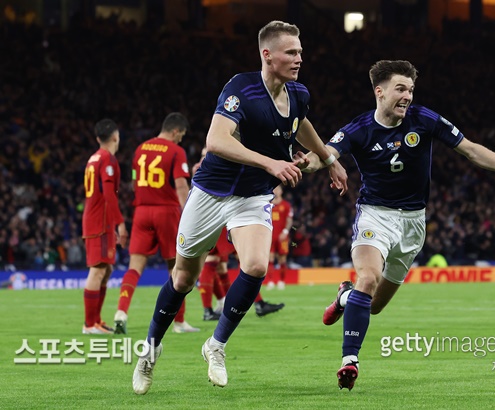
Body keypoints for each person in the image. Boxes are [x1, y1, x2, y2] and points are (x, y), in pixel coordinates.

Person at [132, 20, 348, 394]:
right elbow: (216, 140)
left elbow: (301, 124)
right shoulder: (241, 88)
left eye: (300, 51)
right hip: (211, 192)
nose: (299, 58)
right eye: (291, 52)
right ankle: (150, 351)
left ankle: (216, 345)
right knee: (183, 280)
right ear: (268, 55)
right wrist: (271, 163)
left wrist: (328, 159)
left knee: (256, 265)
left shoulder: (299, 94)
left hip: (252, 195)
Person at [303, 60, 495, 390]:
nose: (407, 96)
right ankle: (350, 360)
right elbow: (325, 153)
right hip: (375, 215)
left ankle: (345, 298)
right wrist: (305, 163)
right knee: (368, 277)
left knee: (373, 306)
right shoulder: (359, 128)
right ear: (380, 92)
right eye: (400, 89)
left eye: (411, 90)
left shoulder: (424, 119)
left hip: (414, 223)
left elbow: (471, 150)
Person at [113, 113, 199, 334]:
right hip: (167, 211)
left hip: (142, 211)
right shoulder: (176, 151)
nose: (181, 140)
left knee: (134, 267)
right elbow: (181, 185)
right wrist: (189, 212)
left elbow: (134, 183)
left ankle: (121, 312)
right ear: (175, 131)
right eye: (181, 135)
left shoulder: (140, 149)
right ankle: (179, 322)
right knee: (177, 267)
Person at [81, 119, 128, 335]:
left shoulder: (94, 158)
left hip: (97, 218)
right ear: (115, 136)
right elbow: (108, 193)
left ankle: (96, 321)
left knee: (106, 269)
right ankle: (89, 324)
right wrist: (120, 223)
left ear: (98, 138)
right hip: (100, 221)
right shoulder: (107, 159)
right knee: (98, 270)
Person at [198, 226, 285, 320]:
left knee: (221, 266)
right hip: (219, 223)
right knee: (212, 259)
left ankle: (226, 303)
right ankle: (208, 311)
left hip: (223, 223)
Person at [265, 185, 293, 290]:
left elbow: (289, 220)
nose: (276, 191)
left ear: (281, 191)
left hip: (282, 236)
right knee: (270, 259)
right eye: (274, 189)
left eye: (278, 189)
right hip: (270, 236)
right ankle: (270, 281)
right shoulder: (268, 205)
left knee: (282, 259)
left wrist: (285, 232)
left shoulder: (286, 205)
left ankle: (282, 281)